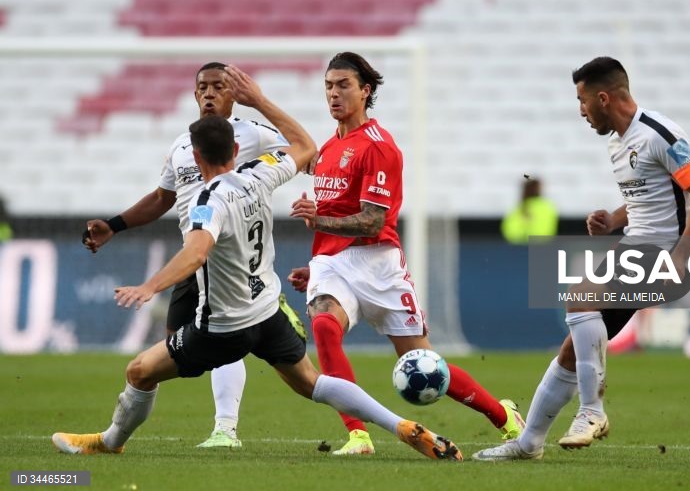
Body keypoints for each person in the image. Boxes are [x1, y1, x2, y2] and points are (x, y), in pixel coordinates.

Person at [52, 112, 463, 462]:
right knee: (313, 383)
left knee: (139, 372)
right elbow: (304, 145)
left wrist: (149, 285)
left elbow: (195, 254)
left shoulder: (206, 203)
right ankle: (401, 425)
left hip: (223, 327)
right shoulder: (259, 174)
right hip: (267, 312)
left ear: (196, 157)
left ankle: (110, 442)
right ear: (236, 150)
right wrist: (259, 101)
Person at [473, 56, 690, 461]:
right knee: (573, 349)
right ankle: (529, 443)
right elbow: (648, 197)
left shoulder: (660, 134)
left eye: (582, 101)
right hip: (638, 249)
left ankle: (592, 411)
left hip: (668, 253)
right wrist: (613, 219)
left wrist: (680, 256)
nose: (581, 111)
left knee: (580, 296)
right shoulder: (617, 143)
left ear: (603, 98)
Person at [287, 52, 525, 456]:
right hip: (333, 264)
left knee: (425, 363)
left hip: (379, 265)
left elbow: (372, 222)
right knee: (324, 326)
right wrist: (321, 265)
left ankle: (503, 415)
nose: (334, 94)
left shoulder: (379, 148)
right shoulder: (328, 149)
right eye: (328, 86)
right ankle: (358, 435)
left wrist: (319, 221)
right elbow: (336, 215)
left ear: (365, 90)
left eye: (343, 85)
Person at [81, 62, 307, 449]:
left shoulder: (253, 133)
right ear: (194, 93)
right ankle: (121, 436)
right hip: (193, 259)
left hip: (227, 259)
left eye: (219, 86)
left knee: (222, 334)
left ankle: (224, 428)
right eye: (203, 87)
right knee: (179, 344)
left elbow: (304, 153)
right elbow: (162, 198)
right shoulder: (183, 145)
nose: (209, 93)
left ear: (234, 94)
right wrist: (114, 225)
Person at [500, 177, 558, 244]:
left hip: (522, 245)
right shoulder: (547, 206)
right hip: (537, 245)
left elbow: (510, 232)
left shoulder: (520, 207)